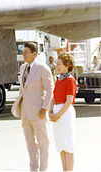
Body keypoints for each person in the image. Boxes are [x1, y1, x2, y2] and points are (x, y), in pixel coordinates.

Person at [19, 42, 54, 171]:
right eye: (23, 52)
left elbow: (50, 89)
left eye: (26, 52)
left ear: (34, 54)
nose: (23, 55)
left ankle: (43, 169)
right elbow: (22, 89)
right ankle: (33, 168)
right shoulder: (23, 68)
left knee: (43, 143)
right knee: (30, 143)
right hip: (25, 112)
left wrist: (44, 108)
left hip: (38, 111)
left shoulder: (42, 68)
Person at [49, 52, 77, 171]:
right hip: (56, 111)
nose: (56, 66)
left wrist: (58, 115)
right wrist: (50, 111)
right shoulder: (59, 79)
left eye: (59, 64)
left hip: (65, 113)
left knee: (68, 145)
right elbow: (54, 97)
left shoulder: (70, 80)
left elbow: (69, 100)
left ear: (66, 65)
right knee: (61, 145)